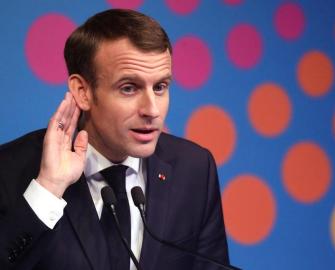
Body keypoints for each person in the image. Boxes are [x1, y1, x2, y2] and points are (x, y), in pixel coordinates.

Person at [0, 9, 229, 270]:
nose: (152, 110)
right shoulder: (10, 169)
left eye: (160, 87)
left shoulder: (195, 169)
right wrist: (49, 187)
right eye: (129, 88)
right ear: (82, 92)